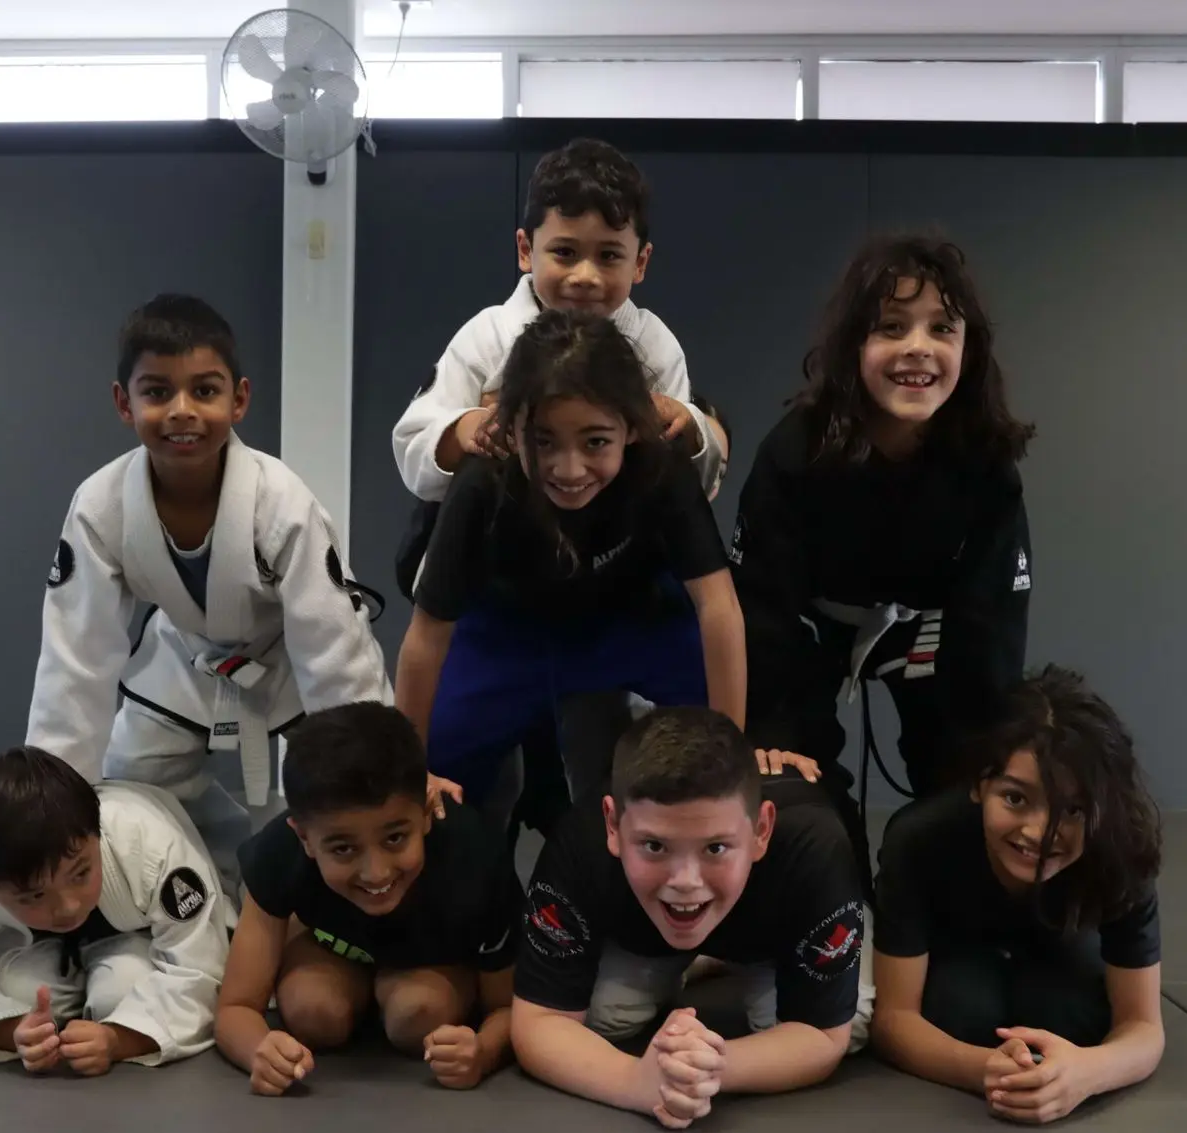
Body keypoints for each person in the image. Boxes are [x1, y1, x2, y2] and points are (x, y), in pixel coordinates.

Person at [392, 137, 729, 845]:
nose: (584, 275)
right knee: (445, 761)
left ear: (641, 262)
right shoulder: (486, 339)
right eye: (564, 251)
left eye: (609, 255)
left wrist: (692, 427)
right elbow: (415, 448)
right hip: (505, 597)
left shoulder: (653, 345)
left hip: (618, 593)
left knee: (684, 738)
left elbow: (688, 493)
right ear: (525, 249)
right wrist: (471, 428)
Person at [25, 293, 394, 905]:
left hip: (288, 665)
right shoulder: (100, 505)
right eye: (157, 392)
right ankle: (212, 885)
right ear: (124, 403)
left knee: (318, 801)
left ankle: (295, 909)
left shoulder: (281, 501)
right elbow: (76, 658)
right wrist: (46, 807)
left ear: (239, 399)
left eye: (204, 390)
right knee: (129, 785)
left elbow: (333, 648)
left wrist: (379, 781)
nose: (182, 412)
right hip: (186, 656)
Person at [394, 309, 747, 825]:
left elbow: (718, 606)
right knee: (426, 759)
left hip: (628, 622)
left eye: (596, 442)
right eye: (542, 441)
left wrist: (731, 753)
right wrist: (408, 774)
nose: (569, 468)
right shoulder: (482, 484)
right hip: (506, 633)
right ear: (508, 428)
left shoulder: (661, 468)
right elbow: (426, 636)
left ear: (632, 429)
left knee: (730, 726)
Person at [729, 233, 1034, 818]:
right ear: (853, 346)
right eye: (892, 327)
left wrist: (985, 755)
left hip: (929, 632)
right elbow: (760, 609)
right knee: (795, 793)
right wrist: (768, 729)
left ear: (970, 351)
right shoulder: (794, 453)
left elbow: (991, 630)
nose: (918, 347)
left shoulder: (986, 466)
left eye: (942, 328)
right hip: (812, 629)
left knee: (964, 794)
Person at [511, 707, 870, 1130]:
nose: (685, 882)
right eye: (654, 846)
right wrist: (638, 1082)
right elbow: (538, 1021)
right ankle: (698, 960)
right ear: (612, 825)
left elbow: (824, 1035)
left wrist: (709, 1067)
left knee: (854, 1020)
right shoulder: (579, 840)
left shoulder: (814, 845)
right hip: (648, 936)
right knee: (605, 1018)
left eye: (716, 848)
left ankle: (718, 957)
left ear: (761, 831)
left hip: (777, 944)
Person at [870, 666, 1165, 1124]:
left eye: (1072, 810)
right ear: (978, 785)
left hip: (1060, 950)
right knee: (962, 1011)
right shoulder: (919, 838)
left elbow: (1143, 1027)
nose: (1038, 833)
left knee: (1069, 1017)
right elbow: (893, 1019)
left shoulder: (1121, 850)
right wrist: (986, 1070)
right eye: (1015, 798)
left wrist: (1087, 1072)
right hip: (958, 954)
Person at [215, 703, 521, 1095]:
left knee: (420, 1013)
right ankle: (320, 960)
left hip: (430, 969)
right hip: (333, 956)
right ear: (304, 837)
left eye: (395, 838)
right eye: (343, 848)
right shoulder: (279, 852)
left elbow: (506, 1007)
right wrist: (258, 1050)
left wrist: (483, 1051)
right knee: (313, 1012)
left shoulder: (476, 857)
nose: (376, 872)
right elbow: (235, 1008)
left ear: (426, 812)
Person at [0, 747, 229, 1073]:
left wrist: (119, 1039)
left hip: (137, 936)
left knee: (121, 993)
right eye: (33, 896)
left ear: (95, 833)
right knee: (23, 997)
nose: (68, 906)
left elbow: (198, 973)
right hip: (27, 945)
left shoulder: (150, 844)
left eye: (81, 873)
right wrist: (14, 1033)